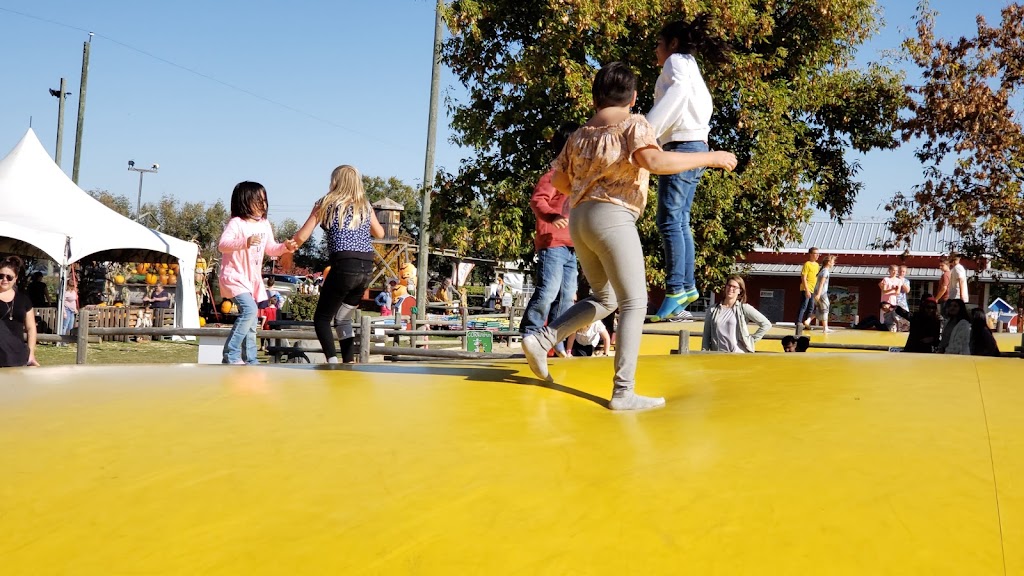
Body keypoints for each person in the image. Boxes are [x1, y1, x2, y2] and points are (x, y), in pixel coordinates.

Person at [521, 61, 737, 411]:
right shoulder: (633, 124)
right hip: (613, 219)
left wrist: (588, 180)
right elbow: (653, 161)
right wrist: (709, 157)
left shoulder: (578, 136)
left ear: (594, 99)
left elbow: (559, 182)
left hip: (580, 220)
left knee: (605, 298)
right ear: (634, 97)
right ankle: (623, 391)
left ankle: (544, 336)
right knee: (634, 302)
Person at [647, 17, 730, 321]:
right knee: (680, 219)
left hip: (683, 146)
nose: (656, 49)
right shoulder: (690, 65)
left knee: (668, 219)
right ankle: (686, 286)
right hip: (695, 143)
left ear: (672, 43)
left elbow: (678, 93)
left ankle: (675, 289)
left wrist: (648, 131)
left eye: (658, 43)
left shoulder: (676, 64)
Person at [293, 165, 385, 364]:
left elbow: (302, 235)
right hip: (366, 267)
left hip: (344, 264)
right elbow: (380, 234)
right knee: (343, 318)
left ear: (335, 181)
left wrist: (289, 249)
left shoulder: (325, 203)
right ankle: (349, 361)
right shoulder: (365, 205)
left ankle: (332, 362)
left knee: (322, 319)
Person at [217, 181, 296, 365]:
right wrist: (244, 242)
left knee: (252, 322)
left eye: (265, 200)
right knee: (250, 310)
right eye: (258, 200)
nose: (263, 205)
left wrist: (285, 247)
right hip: (234, 276)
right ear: (245, 202)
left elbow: (271, 248)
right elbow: (222, 245)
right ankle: (231, 355)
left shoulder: (264, 224)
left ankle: (251, 359)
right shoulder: (237, 223)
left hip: (251, 279)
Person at [520, 123, 580, 340]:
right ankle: (531, 332)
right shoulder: (554, 176)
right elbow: (537, 200)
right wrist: (552, 217)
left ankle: (555, 337)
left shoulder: (578, 180)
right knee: (548, 291)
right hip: (553, 242)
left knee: (566, 296)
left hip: (573, 246)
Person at [701, 275, 771, 353]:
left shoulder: (744, 308)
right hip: (718, 356)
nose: (731, 289)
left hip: (739, 355)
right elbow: (706, 335)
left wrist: (750, 341)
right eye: (729, 285)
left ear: (740, 291)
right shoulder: (713, 310)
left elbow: (766, 324)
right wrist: (704, 352)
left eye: (734, 287)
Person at [0, 255, 39, 367]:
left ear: (16, 278)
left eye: (9, 277)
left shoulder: (24, 299)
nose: (4, 280)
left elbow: (31, 328)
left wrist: (31, 354)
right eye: (1, 276)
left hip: (18, 357)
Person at [797, 247, 820, 329]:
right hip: (806, 288)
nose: (817, 255)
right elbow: (803, 277)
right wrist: (806, 290)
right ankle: (799, 322)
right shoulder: (807, 264)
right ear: (810, 254)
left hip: (813, 289)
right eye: (815, 254)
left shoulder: (817, 265)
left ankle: (807, 323)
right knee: (804, 306)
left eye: (818, 254)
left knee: (811, 307)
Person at [813, 254, 836, 333]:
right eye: (833, 261)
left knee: (820, 309)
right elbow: (821, 283)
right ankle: (825, 328)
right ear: (829, 262)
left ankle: (808, 320)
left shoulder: (822, 270)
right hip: (822, 293)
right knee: (825, 308)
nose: (834, 263)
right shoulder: (825, 271)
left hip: (818, 291)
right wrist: (819, 294)